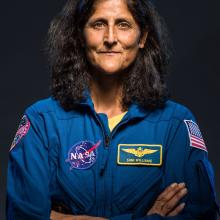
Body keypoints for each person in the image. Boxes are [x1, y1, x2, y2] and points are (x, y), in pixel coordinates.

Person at [7, 0, 219, 219]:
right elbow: (24, 214)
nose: (110, 38)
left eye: (123, 24)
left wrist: (60, 217)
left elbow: (198, 213)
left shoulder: (174, 123)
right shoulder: (42, 120)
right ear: (80, 36)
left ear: (142, 37)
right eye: (98, 24)